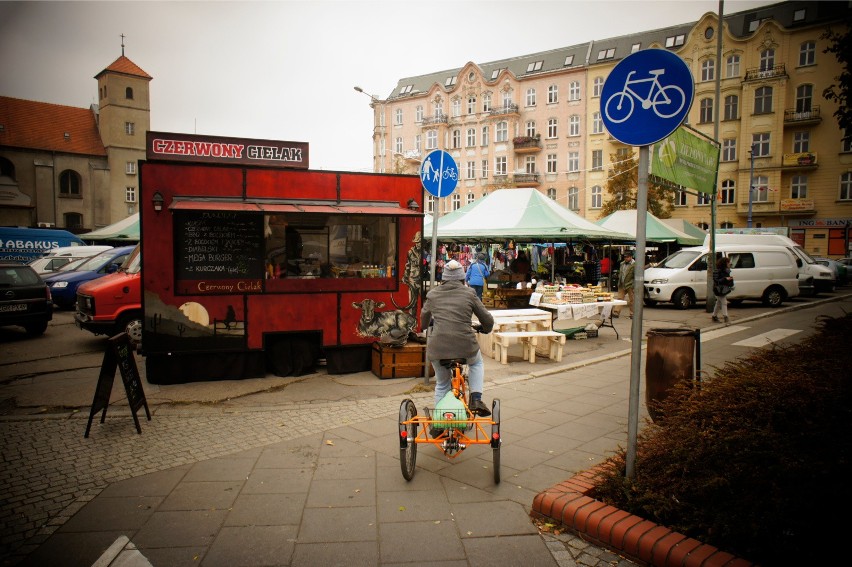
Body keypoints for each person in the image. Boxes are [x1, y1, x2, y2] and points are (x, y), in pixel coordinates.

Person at [420, 259, 495, 429]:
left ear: (443, 278)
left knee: (442, 384)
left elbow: (423, 323)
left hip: (438, 348)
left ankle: (439, 423)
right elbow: (487, 320)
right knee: (476, 362)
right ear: (462, 278)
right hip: (465, 346)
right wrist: (485, 328)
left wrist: (431, 322)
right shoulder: (469, 294)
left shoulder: (433, 294)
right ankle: (475, 398)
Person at [712, 255, 734, 324]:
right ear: (724, 263)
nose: (729, 264)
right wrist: (725, 279)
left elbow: (726, 280)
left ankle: (714, 316)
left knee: (718, 303)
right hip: (719, 289)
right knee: (724, 302)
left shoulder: (727, 271)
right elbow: (716, 280)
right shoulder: (717, 271)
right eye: (728, 262)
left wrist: (730, 281)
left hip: (724, 289)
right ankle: (725, 317)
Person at [614, 250, 635, 318]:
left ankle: (632, 314)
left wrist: (633, 284)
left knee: (632, 300)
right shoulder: (622, 263)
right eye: (625, 257)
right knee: (620, 298)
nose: (626, 258)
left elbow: (636, 275)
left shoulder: (634, 264)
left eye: (627, 257)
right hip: (622, 283)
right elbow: (621, 273)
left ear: (631, 257)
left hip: (630, 284)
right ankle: (616, 312)